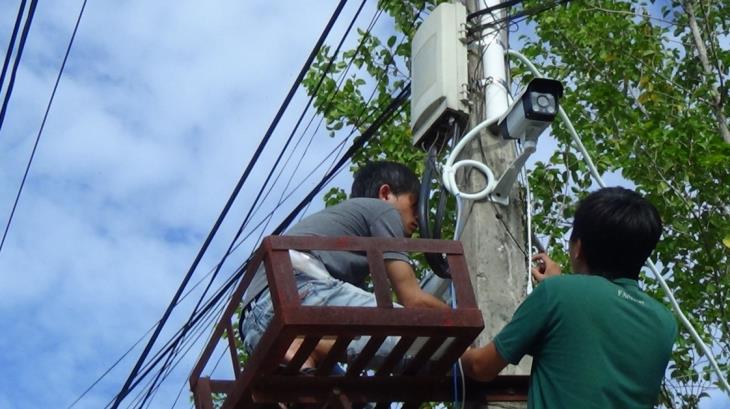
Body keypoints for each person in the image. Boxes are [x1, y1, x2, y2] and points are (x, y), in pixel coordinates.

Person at [461, 187, 677, 408]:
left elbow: (481, 367)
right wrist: (561, 285)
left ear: (578, 247)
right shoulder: (664, 322)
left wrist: (456, 348)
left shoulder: (557, 294)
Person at [241, 161, 447, 369]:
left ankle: (302, 353)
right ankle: (475, 363)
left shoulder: (345, 252)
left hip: (254, 328)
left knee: (352, 400)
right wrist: (463, 321)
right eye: (414, 205)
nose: (418, 220)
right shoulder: (383, 210)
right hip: (294, 291)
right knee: (414, 333)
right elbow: (413, 301)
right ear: (385, 194)